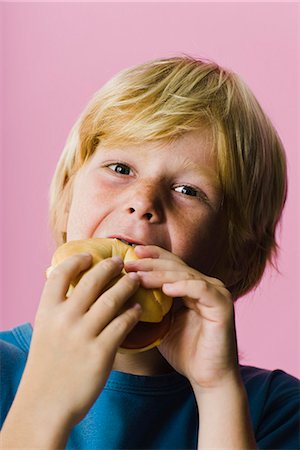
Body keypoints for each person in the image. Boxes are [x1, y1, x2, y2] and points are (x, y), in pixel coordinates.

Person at [0, 56, 299, 449]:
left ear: (238, 255)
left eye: (188, 191)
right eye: (120, 168)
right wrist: (43, 404)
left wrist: (217, 393)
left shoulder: (276, 409)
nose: (143, 202)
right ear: (68, 200)